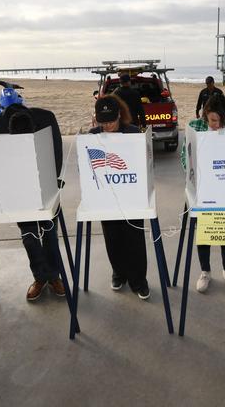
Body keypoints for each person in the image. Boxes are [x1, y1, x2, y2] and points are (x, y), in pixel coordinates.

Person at [0, 103, 65, 301]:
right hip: (17, 187)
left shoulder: (46, 119)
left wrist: (50, 182)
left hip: (46, 181)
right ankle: (40, 277)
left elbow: (56, 152)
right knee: (29, 235)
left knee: (49, 233)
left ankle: (54, 277)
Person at [90, 94, 150, 300]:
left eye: (111, 121)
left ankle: (139, 280)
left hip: (131, 197)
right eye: (102, 122)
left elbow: (143, 166)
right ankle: (119, 273)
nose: (107, 126)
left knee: (134, 238)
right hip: (106, 198)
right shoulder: (92, 135)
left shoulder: (133, 133)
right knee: (112, 238)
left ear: (119, 115)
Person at [181, 96, 225, 293]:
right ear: (205, 115)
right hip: (202, 188)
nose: (217, 125)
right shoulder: (194, 126)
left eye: (221, 121)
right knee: (204, 232)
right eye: (213, 120)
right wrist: (194, 176)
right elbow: (185, 157)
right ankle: (205, 271)